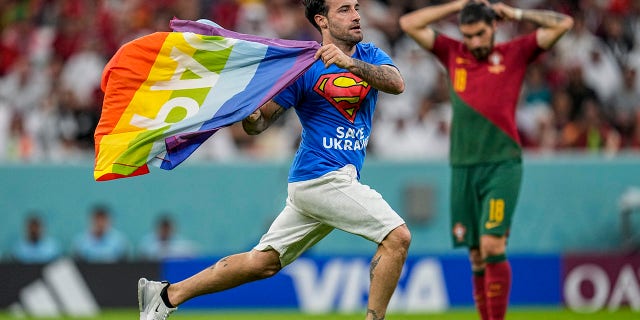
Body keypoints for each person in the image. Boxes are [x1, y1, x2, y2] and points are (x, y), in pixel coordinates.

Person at [137, 1, 411, 319]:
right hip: (321, 177)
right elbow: (260, 123)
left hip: (323, 183)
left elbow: (396, 83)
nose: (357, 15)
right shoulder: (304, 66)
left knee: (262, 262)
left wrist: (349, 64)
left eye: (356, 7)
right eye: (345, 10)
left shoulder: (370, 55)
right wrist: (250, 113)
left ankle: (166, 295)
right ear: (322, 21)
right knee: (397, 236)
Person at [399, 1, 573, 320]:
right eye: (468, 36)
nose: (475, 42)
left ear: (494, 26)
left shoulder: (515, 53)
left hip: (502, 165)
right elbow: (409, 23)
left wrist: (518, 14)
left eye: (480, 34)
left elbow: (563, 24)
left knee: (493, 246)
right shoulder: (454, 53)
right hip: (463, 167)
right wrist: (457, 5)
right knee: (477, 256)